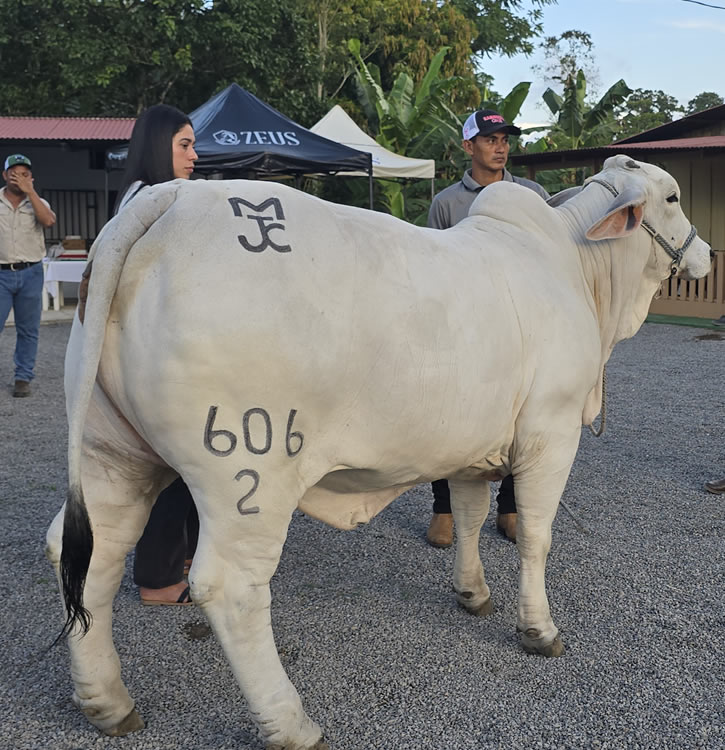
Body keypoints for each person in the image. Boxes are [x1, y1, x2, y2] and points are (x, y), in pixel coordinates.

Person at [425, 109, 550, 548]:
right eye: (490, 138)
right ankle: (444, 508)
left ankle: (510, 506)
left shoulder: (534, 195)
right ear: (468, 147)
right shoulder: (447, 203)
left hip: (521, 327)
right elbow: (433, 268)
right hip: (464, 329)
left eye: (505, 138)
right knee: (451, 416)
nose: (500, 146)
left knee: (523, 415)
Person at [114, 104, 200, 605]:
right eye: (184, 146)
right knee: (170, 465)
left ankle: (180, 555)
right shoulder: (153, 202)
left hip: (157, 350)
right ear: (157, 146)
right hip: (158, 355)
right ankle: (160, 579)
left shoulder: (141, 196)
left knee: (184, 464)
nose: (194, 156)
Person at [0, 154, 56, 397]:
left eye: (24, 174)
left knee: (28, 329)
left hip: (31, 272)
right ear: (4, 176)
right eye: (14, 173)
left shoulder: (38, 202)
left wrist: (30, 192)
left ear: (31, 178)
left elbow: (48, 221)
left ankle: (23, 377)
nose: (19, 178)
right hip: (1, 273)